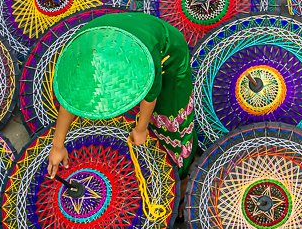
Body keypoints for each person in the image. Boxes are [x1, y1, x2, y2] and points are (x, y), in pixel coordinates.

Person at [47, 11, 194, 178]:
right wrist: (58, 146)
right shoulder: (81, 54)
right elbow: (72, 98)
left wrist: (141, 129)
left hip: (167, 54)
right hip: (127, 30)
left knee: (172, 108)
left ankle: (182, 168)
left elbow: (150, 97)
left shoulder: (145, 60)